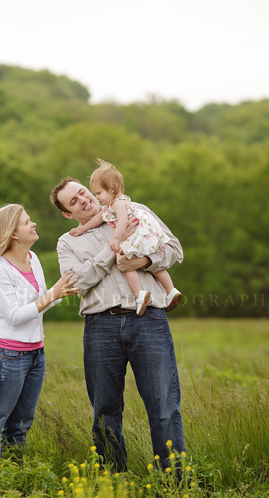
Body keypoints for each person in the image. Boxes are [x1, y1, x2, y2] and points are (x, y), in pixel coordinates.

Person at [51, 178, 185, 474]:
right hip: (100, 325)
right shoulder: (68, 241)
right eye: (73, 201)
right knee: (105, 410)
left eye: (83, 192)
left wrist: (143, 261)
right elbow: (76, 282)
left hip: (148, 319)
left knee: (164, 406)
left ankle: (176, 481)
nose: (83, 199)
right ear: (67, 214)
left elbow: (174, 250)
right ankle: (113, 482)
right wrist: (113, 251)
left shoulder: (132, 210)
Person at [0, 204, 78, 461]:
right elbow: (15, 316)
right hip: (6, 357)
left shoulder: (33, 258)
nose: (33, 224)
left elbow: (38, 304)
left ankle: (14, 483)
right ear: (13, 233)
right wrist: (52, 295)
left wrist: (62, 290)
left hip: (35, 355)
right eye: (27, 222)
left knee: (19, 428)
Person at [69, 160, 183, 315]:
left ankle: (139, 294)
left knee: (123, 263)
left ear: (111, 189)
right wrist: (81, 230)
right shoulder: (113, 205)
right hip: (143, 236)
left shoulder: (117, 204)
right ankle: (171, 291)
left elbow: (122, 220)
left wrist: (115, 239)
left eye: (99, 193)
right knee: (155, 267)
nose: (98, 197)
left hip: (135, 236)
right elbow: (96, 220)